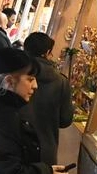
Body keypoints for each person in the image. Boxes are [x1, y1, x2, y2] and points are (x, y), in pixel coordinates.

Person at [20, 32, 73, 165]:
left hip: (17, 147)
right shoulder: (61, 81)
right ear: (47, 52)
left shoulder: (17, 74)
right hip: (45, 151)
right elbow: (65, 120)